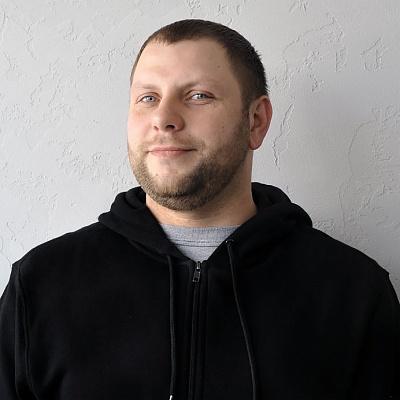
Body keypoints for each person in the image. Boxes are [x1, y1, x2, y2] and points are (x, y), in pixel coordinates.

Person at [0, 19, 399, 400]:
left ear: (256, 121)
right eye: (148, 98)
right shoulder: (41, 284)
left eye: (198, 96)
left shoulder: (352, 292)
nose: (163, 119)